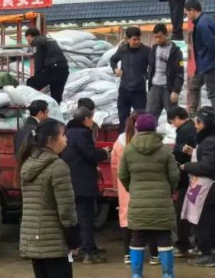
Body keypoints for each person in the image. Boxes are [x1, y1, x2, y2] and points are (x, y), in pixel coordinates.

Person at [119, 113, 179, 278]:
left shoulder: (129, 150)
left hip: (138, 203)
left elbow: (122, 174)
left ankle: (137, 274)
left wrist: (133, 189)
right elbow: (174, 176)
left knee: (137, 237)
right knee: (164, 237)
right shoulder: (165, 150)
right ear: (154, 129)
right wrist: (168, 190)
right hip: (161, 203)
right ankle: (168, 275)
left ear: (137, 128)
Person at [18, 118, 80, 278]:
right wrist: (74, 240)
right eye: (63, 135)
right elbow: (66, 209)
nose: (66, 139)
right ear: (51, 140)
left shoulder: (27, 163)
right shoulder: (58, 166)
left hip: (33, 239)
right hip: (54, 241)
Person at [181, 106, 215, 267]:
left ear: (202, 124)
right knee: (213, 221)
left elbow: (208, 166)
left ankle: (205, 254)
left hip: (208, 188)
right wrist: (194, 152)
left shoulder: (208, 141)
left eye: (196, 122)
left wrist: (186, 166)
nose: (195, 126)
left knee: (201, 222)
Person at [61, 107, 110, 264]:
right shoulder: (82, 133)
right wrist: (104, 153)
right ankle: (88, 252)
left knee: (75, 219)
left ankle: (79, 248)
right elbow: (90, 154)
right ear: (87, 119)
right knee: (86, 218)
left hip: (70, 182)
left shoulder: (66, 132)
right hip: (83, 183)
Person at [110, 111, 160, 266]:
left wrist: (116, 185)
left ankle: (128, 254)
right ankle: (154, 255)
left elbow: (114, 165)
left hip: (125, 186)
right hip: (147, 184)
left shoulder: (121, 141)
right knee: (150, 217)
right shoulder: (152, 141)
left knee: (127, 218)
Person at [184, 0, 215, 122]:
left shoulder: (202, 25)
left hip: (208, 63)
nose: (187, 17)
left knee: (213, 92)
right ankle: (193, 114)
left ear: (192, 11)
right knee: (193, 85)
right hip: (203, 64)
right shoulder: (208, 20)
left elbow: (212, 44)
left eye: (187, 13)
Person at [167, 105, 197, 257]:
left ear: (178, 118)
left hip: (186, 178)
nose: (173, 125)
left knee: (182, 212)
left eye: (172, 121)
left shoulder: (184, 131)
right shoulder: (192, 127)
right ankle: (191, 243)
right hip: (194, 178)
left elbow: (180, 156)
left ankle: (183, 244)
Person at [110, 27, 151, 132]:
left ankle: (140, 139)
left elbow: (153, 66)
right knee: (123, 118)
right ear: (128, 39)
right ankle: (123, 139)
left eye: (138, 39)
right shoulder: (122, 50)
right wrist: (115, 69)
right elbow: (113, 60)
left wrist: (146, 76)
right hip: (124, 90)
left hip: (139, 91)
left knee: (141, 119)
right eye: (134, 39)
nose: (137, 42)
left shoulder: (146, 51)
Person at [146, 24, 184, 119]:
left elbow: (180, 73)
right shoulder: (154, 49)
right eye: (156, 37)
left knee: (172, 118)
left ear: (166, 34)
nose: (158, 40)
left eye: (160, 37)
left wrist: (176, 90)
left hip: (169, 89)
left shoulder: (175, 51)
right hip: (154, 87)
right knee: (150, 117)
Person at [25, 27, 69, 104]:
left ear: (30, 36)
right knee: (56, 96)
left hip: (53, 68)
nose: (28, 42)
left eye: (28, 39)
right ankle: (57, 109)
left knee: (31, 83)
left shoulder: (36, 41)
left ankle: (32, 105)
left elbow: (38, 59)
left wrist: (37, 74)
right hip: (64, 68)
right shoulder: (49, 40)